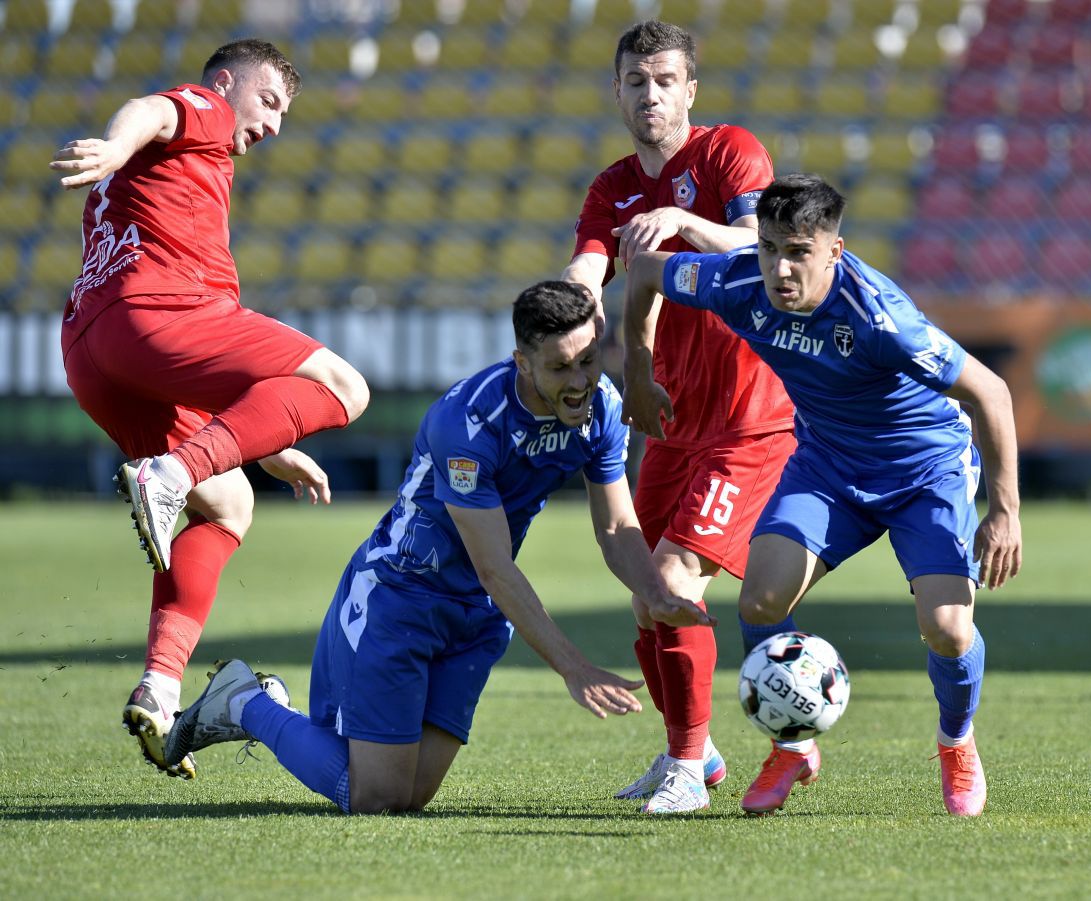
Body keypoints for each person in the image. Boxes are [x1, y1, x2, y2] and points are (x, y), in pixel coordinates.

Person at [163, 281, 712, 814]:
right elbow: (495, 567)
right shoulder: (470, 423)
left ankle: (266, 708)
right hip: (401, 596)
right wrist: (573, 667)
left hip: (476, 613)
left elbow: (616, 528)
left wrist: (655, 594)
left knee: (412, 795)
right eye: (560, 367)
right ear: (522, 362)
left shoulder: (603, 409)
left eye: (588, 362)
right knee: (376, 797)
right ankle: (244, 702)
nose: (580, 382)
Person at [623, 174, 1023, 817]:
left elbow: (991, 393)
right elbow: (644, 272)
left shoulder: (881, 318)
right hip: (830, 467)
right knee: (760, 597)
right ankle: (791, 742)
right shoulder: (735, 282)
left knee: (947, 631)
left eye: (800, 252)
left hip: (925, 471)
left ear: (834, 252)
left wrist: (1004, 510)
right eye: (770, 247)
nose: (781, 268)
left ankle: (957, 741)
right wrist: (638, 369)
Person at [51, 39, 370, 779]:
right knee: (346, 387)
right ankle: (169, 473)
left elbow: (199, 374)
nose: (273, 124)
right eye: (269, 102)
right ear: (228, 83)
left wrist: (262, 441)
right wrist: (113, 143)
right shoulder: (203, 110)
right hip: (161, 311)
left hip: (93, 346)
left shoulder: (172, 175)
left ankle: (160, 690)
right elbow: (157, 109)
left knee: (227, 503)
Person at [561, 20, 798, 815]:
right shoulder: (610, 188)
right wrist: (564, 312)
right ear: (618, 91)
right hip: (667, 417)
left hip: (746, 418)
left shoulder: (731, 151)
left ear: (689, 91)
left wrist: (683, 225)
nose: (650, 93)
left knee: (670, 580)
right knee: (641, 591)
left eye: (665, 80)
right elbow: (587, 269)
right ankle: (692, 753)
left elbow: (764, 246)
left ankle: (688, 771)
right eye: (636, 80)